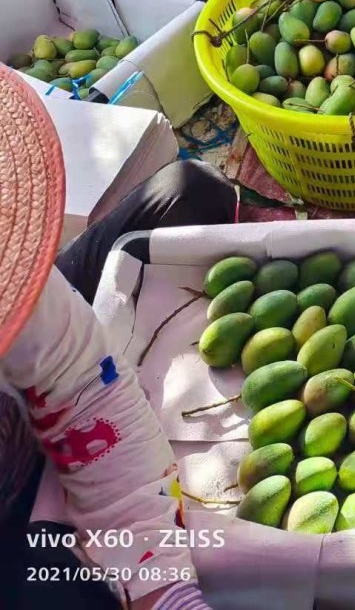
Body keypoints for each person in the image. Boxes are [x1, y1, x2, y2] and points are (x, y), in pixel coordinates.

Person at [0, 66, 237, 609]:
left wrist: (164, 587)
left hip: (37, 400)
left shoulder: (9, 262)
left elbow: (84, 383)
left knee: (188, 195)